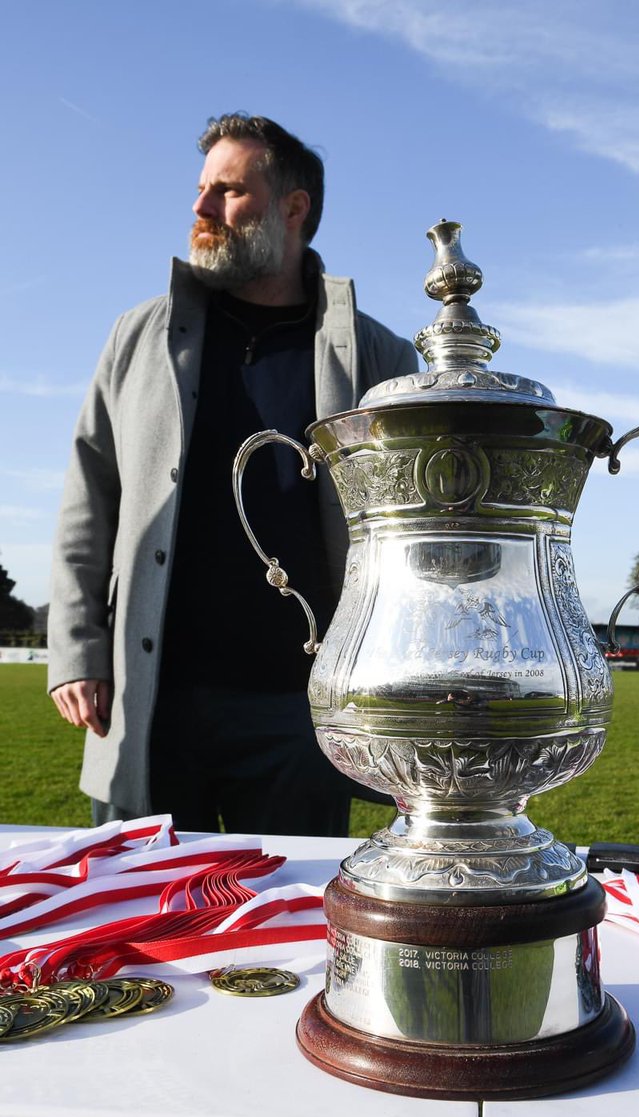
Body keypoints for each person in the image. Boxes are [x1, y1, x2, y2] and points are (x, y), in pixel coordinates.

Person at [48, 113, 417, 835]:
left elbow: (412, 531)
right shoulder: (138, 336)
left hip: (302, 714)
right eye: (201, 190)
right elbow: (88, 498)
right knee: (139, 930)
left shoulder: (379, 356)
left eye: (228, 191)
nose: (200, 208)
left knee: (288, 933)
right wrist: (75, 649)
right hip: (149, 698)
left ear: (293, 207)